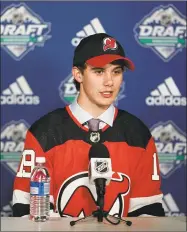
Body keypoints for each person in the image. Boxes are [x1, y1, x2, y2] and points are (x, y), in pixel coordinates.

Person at [12, 33, 165, 217]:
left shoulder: (138, 134)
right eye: (99, 71)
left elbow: (148, 213)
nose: (109, 82)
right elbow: (27, 209)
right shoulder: (45, 132)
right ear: (78, 74)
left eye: (116, 72)